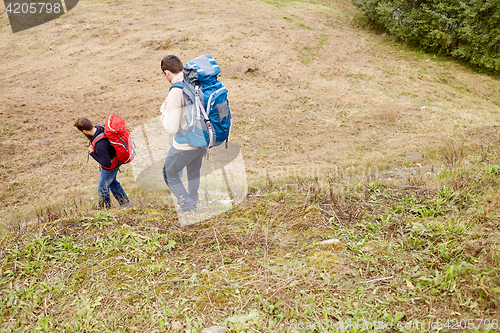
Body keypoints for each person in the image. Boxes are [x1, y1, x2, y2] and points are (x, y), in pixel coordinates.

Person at [160, 55, 206, 214]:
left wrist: (163, 111)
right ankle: (194, 200)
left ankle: (187, 205)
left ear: (167, 72)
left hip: (185, 143)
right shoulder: (195, 83)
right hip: (203, 138)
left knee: (169, 173)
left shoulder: (176, 91)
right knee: (193, 171)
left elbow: (172, 128)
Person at [74, 117, 131, 209]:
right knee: (112, 182)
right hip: (116, 159)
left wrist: (92, 153)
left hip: (111, 166)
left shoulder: (100, 145)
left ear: (84, 131)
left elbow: (107, 164)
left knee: (102, 188)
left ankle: (105, 209)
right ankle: (126, 204)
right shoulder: (100, 128)